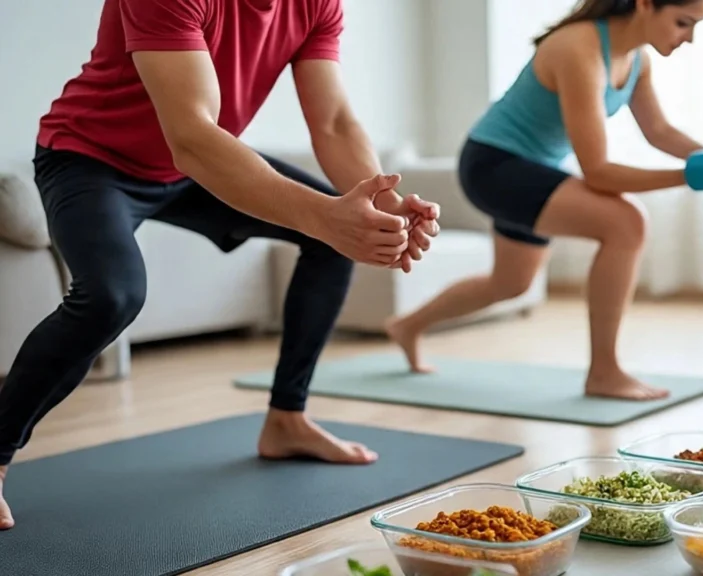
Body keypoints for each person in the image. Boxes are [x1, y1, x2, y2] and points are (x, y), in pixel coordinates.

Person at [0, 0, 440, 530]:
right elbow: (192, 134)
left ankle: (287, 420)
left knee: (327, 244)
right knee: (112, 296)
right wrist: (326, 217)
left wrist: (383, 206)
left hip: (187, 165)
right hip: (91, 157)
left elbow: (334, 122)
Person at [386, 0, 703, 400]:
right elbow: (599, 172)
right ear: (645, 4)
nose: (689, 38)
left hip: (531, 168)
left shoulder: (636, 60)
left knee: (510, 283)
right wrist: (687, 176)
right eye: (683, 23)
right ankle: (604, 372)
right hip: (494, 166)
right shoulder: (578, 48)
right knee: (626, 222)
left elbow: (658, 130)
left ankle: (407, 326)